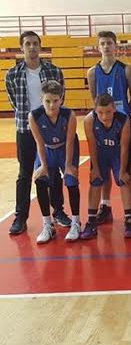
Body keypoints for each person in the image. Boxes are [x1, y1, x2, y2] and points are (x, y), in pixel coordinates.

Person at [5, 30, 70, 235]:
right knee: (25, 173)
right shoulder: (12, 74)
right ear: (21, 47)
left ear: (40, 46)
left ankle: (58, 211)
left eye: (35, 43)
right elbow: (14, 100)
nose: (32, 47)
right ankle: (20, 217)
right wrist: (28, 117)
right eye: (28, 44)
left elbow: (61, 97)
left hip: (49, 129)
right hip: (25, 129)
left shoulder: (54, 71)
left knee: (53, 171)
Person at [87, 30, 131, 225]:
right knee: (105, 166)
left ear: (115, 45)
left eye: (109, 43)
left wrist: (122, 112)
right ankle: (106, 205)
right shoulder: (92, 72)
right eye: (103, 43)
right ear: (98, 47)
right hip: (102, 124)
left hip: (122, 122)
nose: (106, 46)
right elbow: (95, 99)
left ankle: (130, 207)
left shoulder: (126, 70)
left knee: (127, 166)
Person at [29, 81, 81, 243]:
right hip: (46, 149)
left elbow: (70, 142)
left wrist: (68, 166)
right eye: (47, 101)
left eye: (55, 101)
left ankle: (76, 223)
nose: (52, 105)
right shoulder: (34, 116)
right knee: (40, 179)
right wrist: (43, 166)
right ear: (41, 99)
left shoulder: (69, 115)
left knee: (71, 180)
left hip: (65, 148)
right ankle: (47, 225)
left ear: (61, 99)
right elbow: (39, 143)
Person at [80, 94, 131, 240]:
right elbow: (92, 144)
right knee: (95, 181)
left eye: (108, 112)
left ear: (114, 109)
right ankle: (91, 221)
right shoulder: (89, 120)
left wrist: (122, 170)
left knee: (123, 180)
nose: (104, 117)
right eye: (100, 112)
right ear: (95, 111)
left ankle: (129, 218)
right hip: (100, 152)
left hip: (117, 152)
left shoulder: (123, 120)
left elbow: (124, 147)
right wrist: (95, 167)